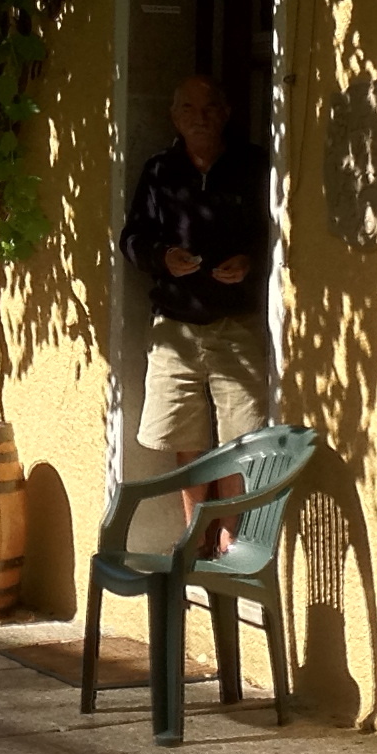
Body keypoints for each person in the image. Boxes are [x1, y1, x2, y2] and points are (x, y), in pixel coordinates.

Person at [117, 73, 272, 539]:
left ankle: (230, 534)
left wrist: (249, 262)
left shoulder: (252, 166)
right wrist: (162, 257)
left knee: (240, 436)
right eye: (188, 110)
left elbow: (273, 234)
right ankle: (195, 534)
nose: (199, 120)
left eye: (208, 110)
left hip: (235, 321)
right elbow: (132, 239)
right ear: (174, 117)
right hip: (175, 326)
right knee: (183, 437)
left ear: (225, 114)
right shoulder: (161, 171)